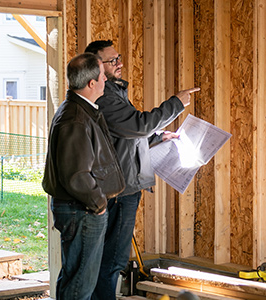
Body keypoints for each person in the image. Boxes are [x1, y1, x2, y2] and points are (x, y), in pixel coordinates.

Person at [84, 40, 199, 300]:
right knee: (111, 261)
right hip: (121, 190)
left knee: (109, 260)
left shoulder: (114, 92)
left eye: (119, 57)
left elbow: (126, 136)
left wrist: (158, 137)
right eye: (112, 61)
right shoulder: (106, 97)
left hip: (124, 186)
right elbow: (137, 125)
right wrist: (176, 103)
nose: (120, 63)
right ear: (96, 66)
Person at [42, 52, 125, 300]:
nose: (105, 81)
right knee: (81, 284)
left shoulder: (81, 110)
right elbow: (77, 176)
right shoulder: (75, 119)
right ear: (91, 83)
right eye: (102, 76)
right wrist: (99, 204)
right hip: (82, 211)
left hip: (81, 210)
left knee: (75, 276)